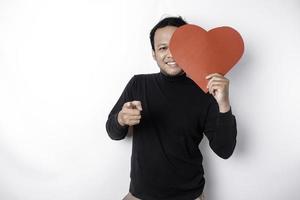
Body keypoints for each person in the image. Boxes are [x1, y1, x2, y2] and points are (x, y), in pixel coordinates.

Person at [105, 16, 237, 200]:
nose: (171, 54)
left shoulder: (204, 92)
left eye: (177, 46)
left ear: (189, 49)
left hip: (189, 196)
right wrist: (121, 119)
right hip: (141, 195)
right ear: (154, 53)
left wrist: (224, 103)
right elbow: (113, 133)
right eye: (163, 48)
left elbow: (225, 150)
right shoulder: (138, 84)